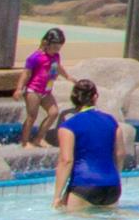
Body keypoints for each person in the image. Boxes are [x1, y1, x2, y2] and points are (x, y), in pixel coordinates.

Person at [54, 79, 126, 209]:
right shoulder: (112, 122)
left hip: (84, 186)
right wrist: (114, 177)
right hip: (112, 187)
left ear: (73, 98)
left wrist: (57, 196)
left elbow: (66, 161)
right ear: (95, 97)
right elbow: (120, 154)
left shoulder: (68, 126)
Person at [14, 28, 64, 148]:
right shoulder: (35, 57)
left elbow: (58, 67)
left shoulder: (56, 56)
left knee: (53, 112)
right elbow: (26, 73)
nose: (57, 49)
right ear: (46, 43)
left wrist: (69, 77)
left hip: (46, 91)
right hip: (33, 91)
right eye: (55, 46)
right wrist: (19, 88)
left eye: (59, 46)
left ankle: (39, 138)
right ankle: (24, 142)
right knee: (32, 116)